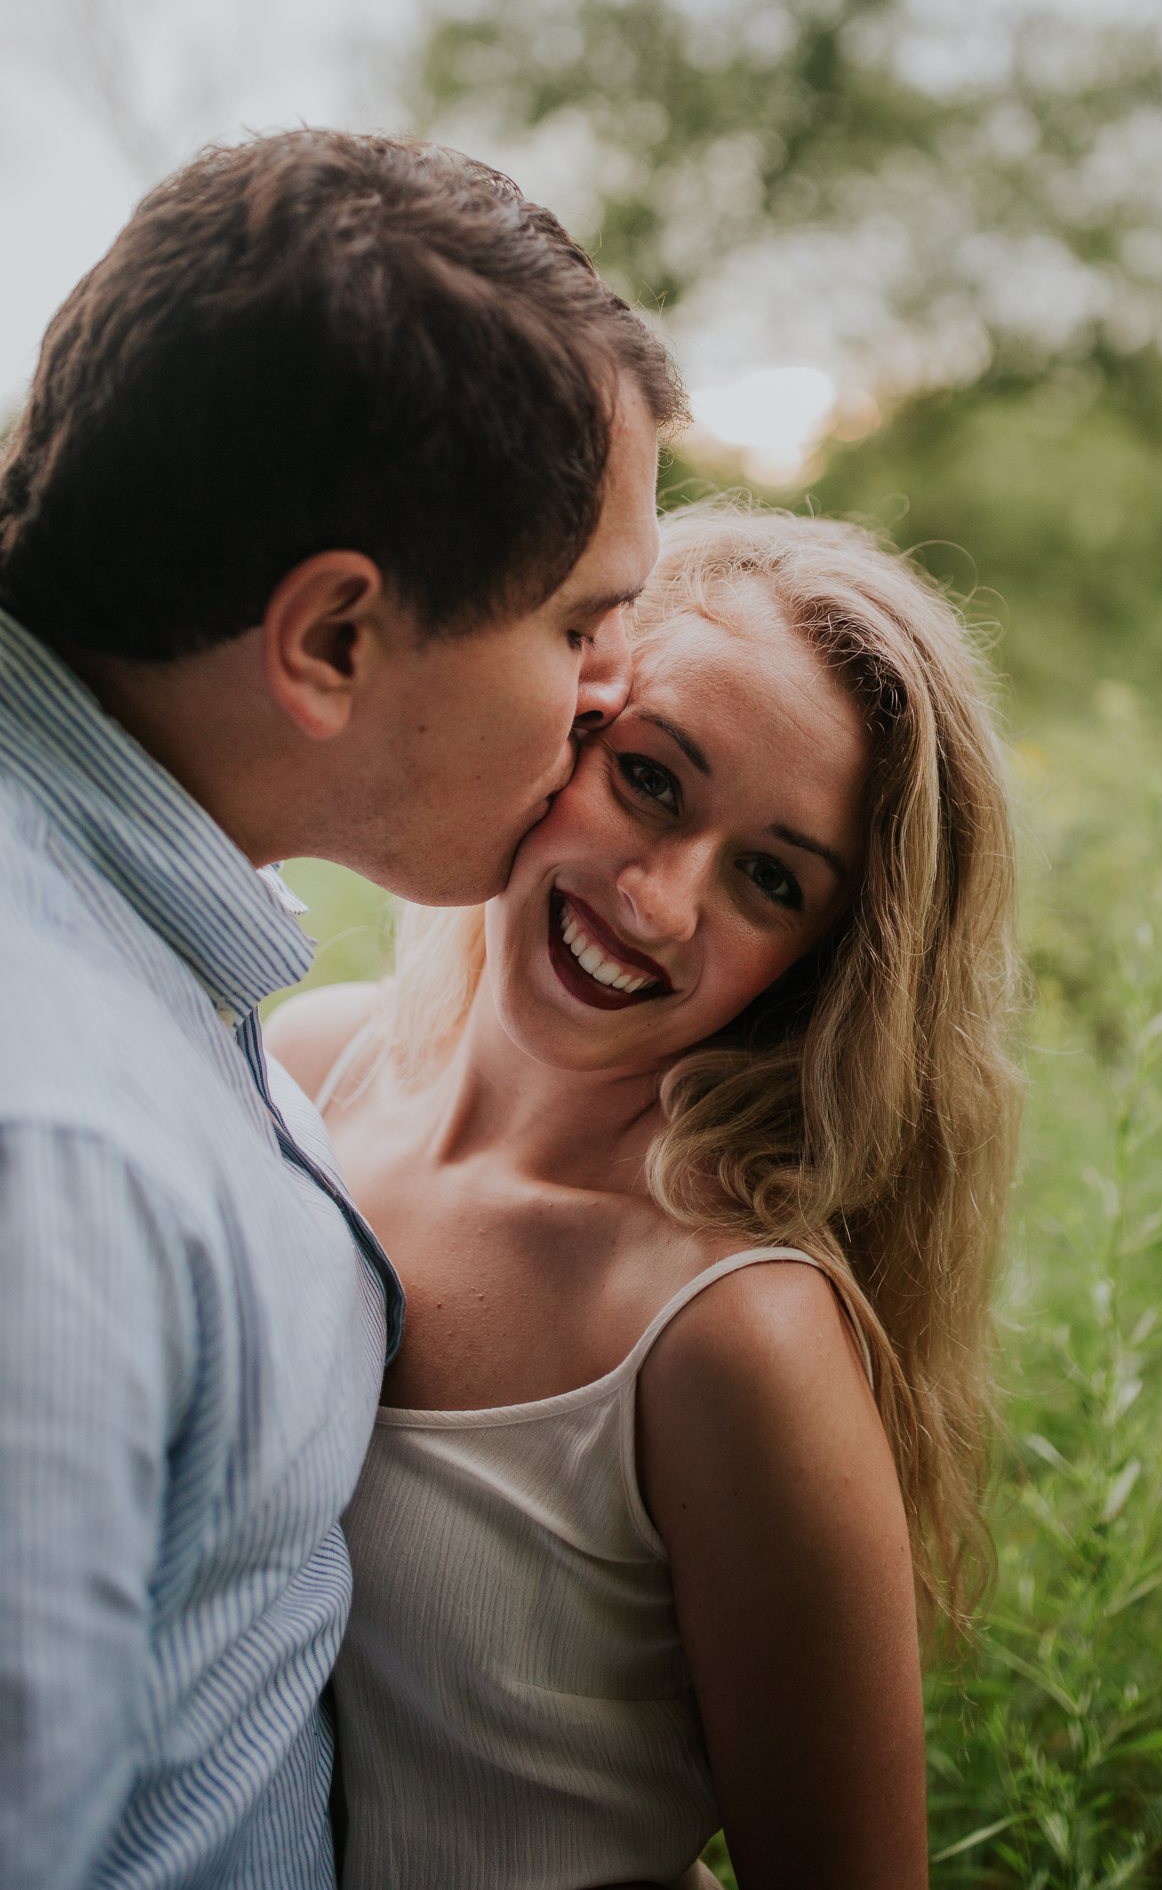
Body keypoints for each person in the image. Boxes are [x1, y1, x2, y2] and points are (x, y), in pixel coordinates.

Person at [0, 129, 682, 1890]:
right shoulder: (56, 1161)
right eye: (582, 624)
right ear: (329, 644)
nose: (612, 695)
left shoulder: (140, 938)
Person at [269, 504, 1023, 1890]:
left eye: (771, 878)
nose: (662, 902)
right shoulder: (308, 1074)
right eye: (653, 780)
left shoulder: (728, 1333)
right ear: (561, 718)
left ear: (817, 965)